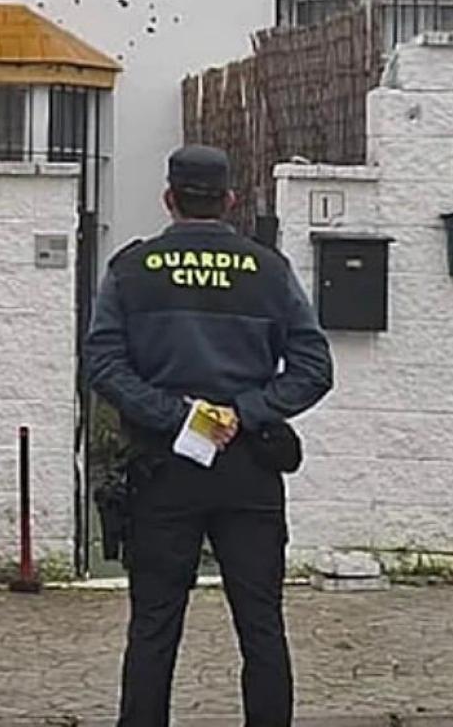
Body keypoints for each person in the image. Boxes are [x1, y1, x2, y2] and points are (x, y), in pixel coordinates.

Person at [85, 144, 334, 727]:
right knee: (261, 624)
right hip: (249, 468)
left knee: (153, 624)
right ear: (229, 200)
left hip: (162, 465)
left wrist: (177, 416)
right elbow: (313, 370)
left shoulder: (131, 269)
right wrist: (243, 412)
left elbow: (103, 365)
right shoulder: (269, 270)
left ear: (169, 199)